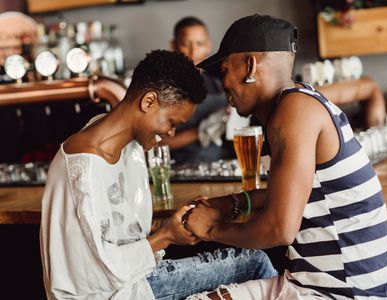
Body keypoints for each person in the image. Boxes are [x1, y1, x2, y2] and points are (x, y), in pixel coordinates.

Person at [40, 50, 276, 300]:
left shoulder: (123, 141)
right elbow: (91, 275)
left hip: (135, 280)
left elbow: (118, 234)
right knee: (255, 264)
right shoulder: (83, 170)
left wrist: (169, 227)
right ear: (149, 101)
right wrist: (165, 237)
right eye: (172, 123)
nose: (172, 134)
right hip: (113, 294)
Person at [185, 15, 387, 299]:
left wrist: (209, 228)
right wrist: (229, 203)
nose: (223, 85)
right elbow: (294, 193)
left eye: (224, 70)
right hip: (311, 282)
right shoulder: (298, 101)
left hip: (340, 293)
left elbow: (278, 228)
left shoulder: (294, 112)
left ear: (250, 66)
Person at [163, 16, 229, 165]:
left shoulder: (219, 83)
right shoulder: (165, 88)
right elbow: (157, 144)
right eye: (186, 44)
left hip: (217, 166)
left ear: (209, 46)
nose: (193, 51)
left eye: (199, 44)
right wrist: (200, 132)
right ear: (174, 45)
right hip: (179, 169)